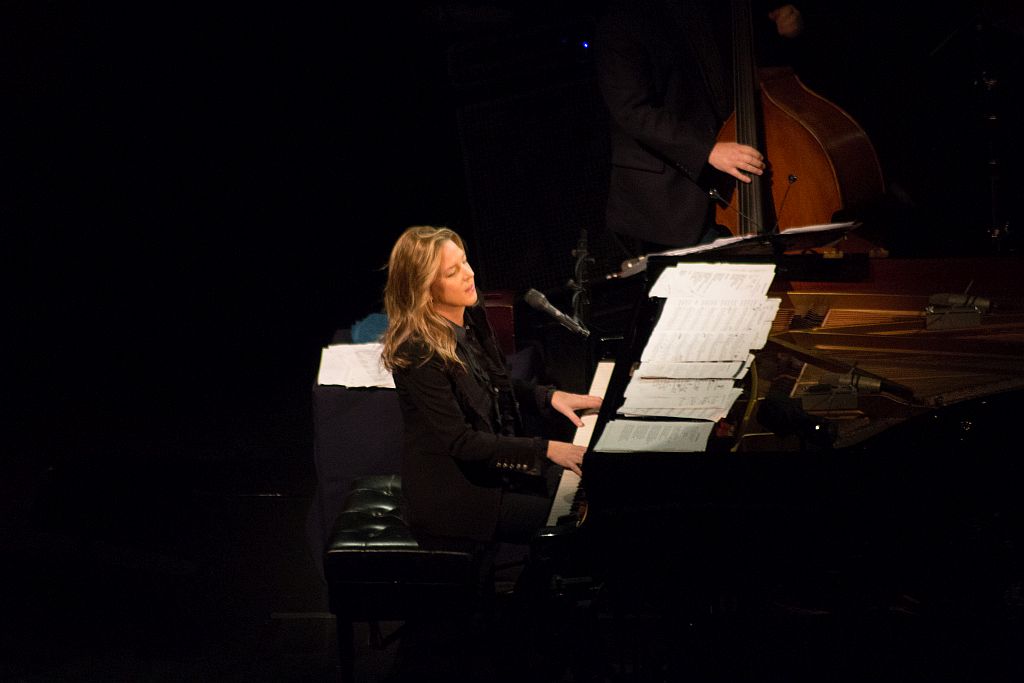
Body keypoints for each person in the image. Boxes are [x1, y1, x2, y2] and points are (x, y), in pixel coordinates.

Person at [380, 225, 602, 546]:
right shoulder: (417, 352)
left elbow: (489, 385)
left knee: (600, 488)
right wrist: (547, 449)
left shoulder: (469, 312)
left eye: (465, 262)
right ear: (426, 288)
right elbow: (462, 442)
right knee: (579, 527)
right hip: (459, 496)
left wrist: (549, 397)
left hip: (496, 473)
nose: (469, 275)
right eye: (453, 272)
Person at [595, 0, 804, 256]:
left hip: (734, 181)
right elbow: (633, 111)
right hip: (669, 198)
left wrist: (782, 28)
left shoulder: (718, 8)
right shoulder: (625, 18)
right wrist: (708, 150)